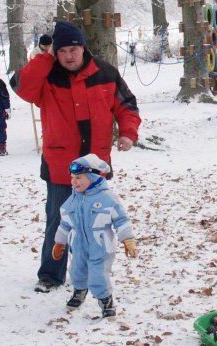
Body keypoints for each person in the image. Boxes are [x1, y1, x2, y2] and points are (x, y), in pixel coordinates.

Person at [12, 20, 141, 294]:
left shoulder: (106, 73)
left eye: (73, 49)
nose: (69, 56)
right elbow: (22, 86)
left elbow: (127, 105)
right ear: (55, 54)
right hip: (61, 167)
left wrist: (128, 133)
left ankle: (95, 273)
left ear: (83, 48)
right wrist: (45, 59)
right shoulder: (47, 78)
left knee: (98, 225)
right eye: (62, 51)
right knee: (58, 221)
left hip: (96, 169)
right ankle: (50, 275)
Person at [52, 153, 137, 320]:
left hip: (100, 245)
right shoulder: (74, 199)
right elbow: (65, 223)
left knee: (98, 274)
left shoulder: (107, 199)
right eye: (72, 177)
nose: (73, 181)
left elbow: (121, 220)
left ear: (92, 176)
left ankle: (106, 300)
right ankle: (79, 292)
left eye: (78, 177)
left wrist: (128, 239)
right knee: (76, 271)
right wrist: (59, 242)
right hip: (78, 245)